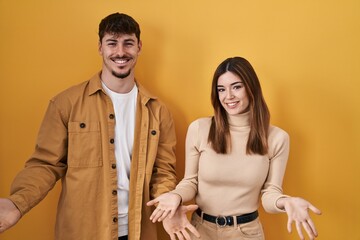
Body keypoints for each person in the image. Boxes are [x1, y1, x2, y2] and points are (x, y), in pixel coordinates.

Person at [0, 12, 178, 240]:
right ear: (100, 47)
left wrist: (168, 204)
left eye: (128, 43)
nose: (120, 52)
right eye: (112, 43)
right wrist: (18, 203)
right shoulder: (66, 103)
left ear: (139, 47)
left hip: (138, 231)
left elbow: (163, 172)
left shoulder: (158, 111)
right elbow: (45, 165)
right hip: (84, 232)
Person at [147, 57, 322, 240]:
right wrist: (175, 196)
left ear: (251, 88)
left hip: (246, 233)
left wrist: (285, 202)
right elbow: (190, 182)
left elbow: (270, 194)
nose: (228, 96)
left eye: (236, 87)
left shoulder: (277, 138)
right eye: (221, 89)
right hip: (199, 231)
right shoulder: (200, 128)